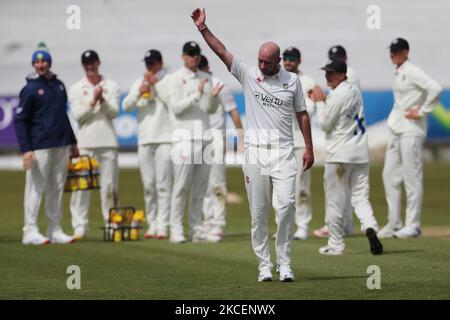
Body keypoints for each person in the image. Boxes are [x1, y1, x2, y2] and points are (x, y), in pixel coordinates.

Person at [191, 8, 314, 282]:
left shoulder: (292, 81)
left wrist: (309, 147)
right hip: (256, 153)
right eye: (259, 60)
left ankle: (285, 264)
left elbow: (302, 114)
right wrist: (203, 28)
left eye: (266, 62)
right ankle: (263, 265)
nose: (261, 65)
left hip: (283, 152)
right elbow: (222, 52)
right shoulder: (248, 75)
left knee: (285, 208)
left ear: (278, 62)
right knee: (259, 214)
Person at [310, 60, 383, 256]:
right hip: (359, 153)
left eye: (331, 73)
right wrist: (325, 100)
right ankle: (370, 227)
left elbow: (325, 124)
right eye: (326, 73)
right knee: (360, 198)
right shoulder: (354, 91)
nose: (327, 77)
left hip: (339, 156)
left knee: (335, 201)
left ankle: (336, 244)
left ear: (342, 75)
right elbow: (339, 111)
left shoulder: (338, 94)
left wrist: (318, 101)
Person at [14, 42, 78, 245]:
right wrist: (26, 150)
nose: (41, 64)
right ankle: (29, 231)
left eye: (44, 61)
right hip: (39, 146)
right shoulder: (30, 89)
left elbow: (63, 116)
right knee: (35, 189)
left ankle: (54, 229)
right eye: (37, 61)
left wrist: (73, 142)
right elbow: (20, 121)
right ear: (33, 64)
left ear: (49, 63)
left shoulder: (58, 86)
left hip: (61, 145)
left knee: (56, 188)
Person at [378, 38, 442, 238]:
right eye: (391, 52)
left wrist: (422, 111)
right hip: (397, 129)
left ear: (406, 52)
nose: (392, 55)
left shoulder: (412, 70)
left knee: (411, 177)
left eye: (396, 51)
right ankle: (394, 223)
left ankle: (412, 225)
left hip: (412, 130)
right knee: (389, 175)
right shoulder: (399, 71)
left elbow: (435, 88)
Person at [163, 41, 222, 243]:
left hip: (204, 137)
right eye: (190, 54)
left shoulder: (206, 78)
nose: (194, 57)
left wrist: (213, 97)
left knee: (200, 188)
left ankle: (196, 228)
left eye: (196, 53)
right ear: (183, 56)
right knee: (180, 186)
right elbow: (177, 108)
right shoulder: (175, 79)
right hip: (183, 137)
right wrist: (197, 93)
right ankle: (176, 229)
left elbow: (210, 108)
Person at [68, 50, 121, 239]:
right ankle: (80, 226)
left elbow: (114, 113)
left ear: (99, 62)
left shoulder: (112, 85)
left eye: (92, 62)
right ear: (83, 65)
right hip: (85, 143)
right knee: (82, 187)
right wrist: (92, 101)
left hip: (108, 143)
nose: (90, 66)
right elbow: (78, 116)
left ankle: (111, 224)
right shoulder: (76, 88)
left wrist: (103, 100)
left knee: (109, 186)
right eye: (86, 63)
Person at [123, 49, 173, 239]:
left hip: (165, 139)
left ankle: (163, 225)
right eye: (147, 63)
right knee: (149, 185)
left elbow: (172, 103)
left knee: (163, 184)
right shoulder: (139, 82)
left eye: (152, 63)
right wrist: (139, 92)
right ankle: (152, 224)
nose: (149, 67)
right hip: (145, 139)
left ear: (160, 63)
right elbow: (126, 106)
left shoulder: (170, 80)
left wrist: (156, 86)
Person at [313, 44, 359, 238]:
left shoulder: (347, 78)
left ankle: (334, 227)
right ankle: (346, 225)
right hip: (350, 141)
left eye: (339, 57)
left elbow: (326, 122)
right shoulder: (344, 81)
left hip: (340, 143)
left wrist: (320, 102)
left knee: (335, 188)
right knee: (345, 187)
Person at [198, 54, 244, 242]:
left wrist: (241, 136)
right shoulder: (195, 86)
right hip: (198, 137)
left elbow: (232, 110)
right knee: (201, 183)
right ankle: (207, 221)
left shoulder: (218, 84)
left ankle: (218, 224)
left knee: (216, 180)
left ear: (207, 67)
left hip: (216, 136)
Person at [281, 46, 316, 240]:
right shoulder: (277, 78)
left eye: (292, 58)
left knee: (301, 185)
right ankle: (284, 225)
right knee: (282, 186)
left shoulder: (308, 82)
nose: (288, 61)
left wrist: (292, 106)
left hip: (300, 142)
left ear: (299, 60)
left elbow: (308, 112)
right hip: (281, 142)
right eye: (285, 57)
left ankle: (302, 225)